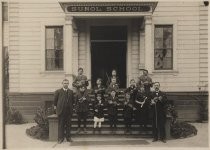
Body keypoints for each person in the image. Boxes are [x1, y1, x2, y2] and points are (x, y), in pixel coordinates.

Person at [54, 79, 74, 143]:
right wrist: (56, 110)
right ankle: (60, 138)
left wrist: (71, 109)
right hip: (61, 111)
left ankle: (68, 138)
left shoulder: (71, 92)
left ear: (68, 84)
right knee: (61, 125)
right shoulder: (58, 91)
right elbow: (55, 102)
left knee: (68, 125)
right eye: (64, 83)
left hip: (68, 112)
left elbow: (72, 101)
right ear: (62, 84)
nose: (66, 84)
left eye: (67, 83)